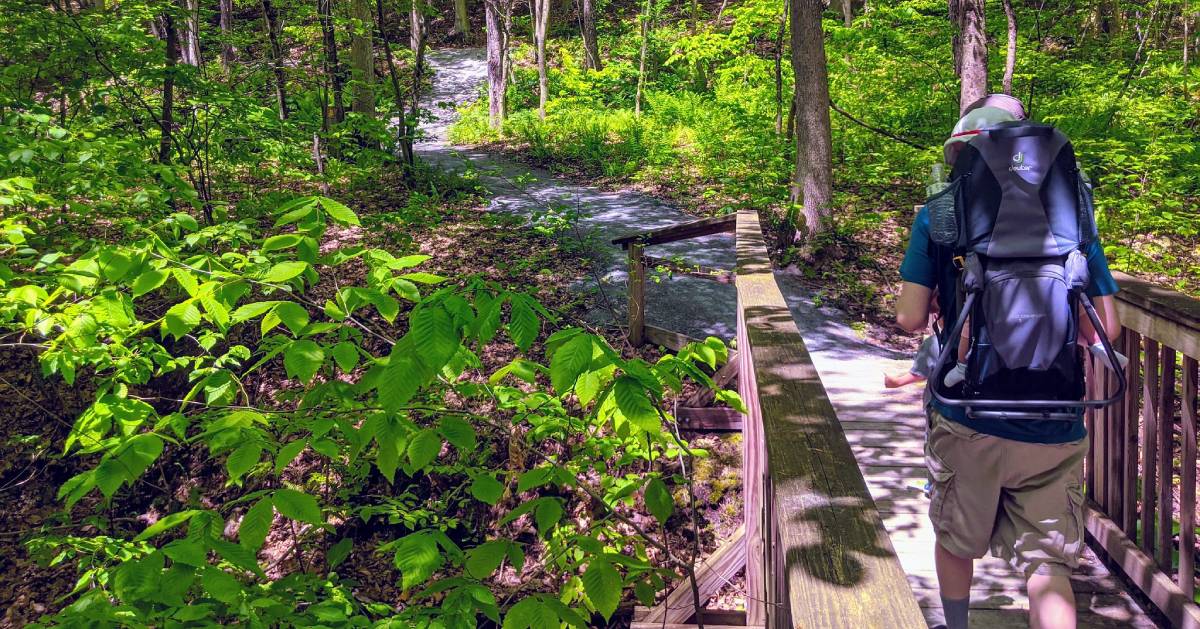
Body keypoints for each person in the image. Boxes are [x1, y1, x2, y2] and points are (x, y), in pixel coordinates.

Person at [895, 94, 1123, 629]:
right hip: (1055, 419)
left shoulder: (939, 216)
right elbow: (1105, 329)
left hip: (969, 415)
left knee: (956, 540)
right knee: (1047, 563)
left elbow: (907, 317)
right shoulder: (1073, 216)